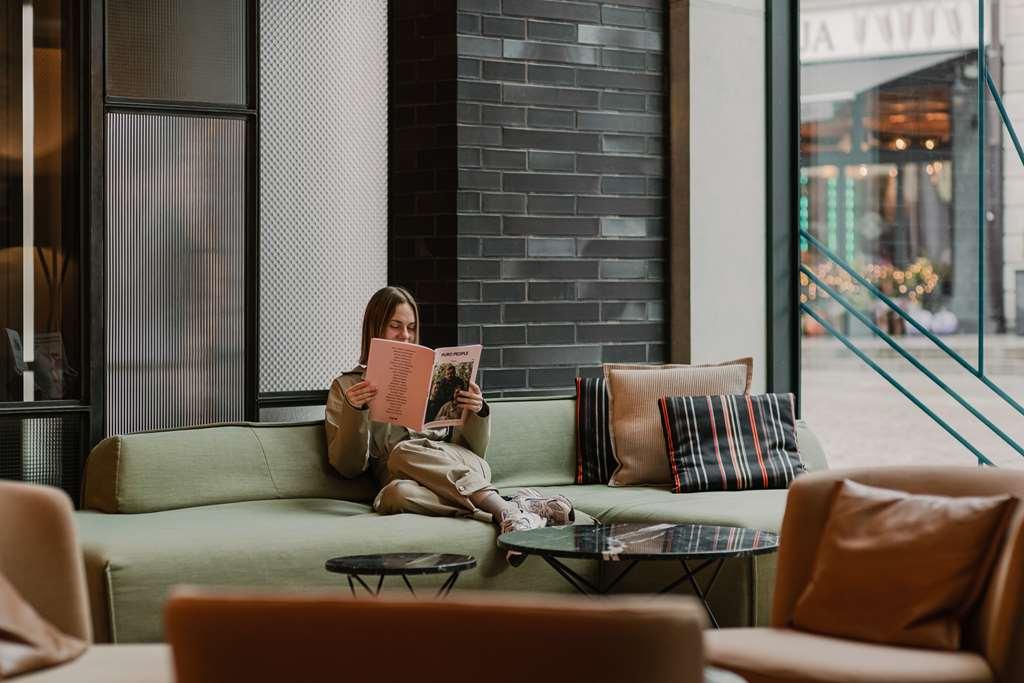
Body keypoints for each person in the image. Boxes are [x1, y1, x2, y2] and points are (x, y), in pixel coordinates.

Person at [325, 286, 574, 537]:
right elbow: (348, 467)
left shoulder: (431, 374)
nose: (405, 335)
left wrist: (476, 411)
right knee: (394, 496)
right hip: (405, 479)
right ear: (374, 327)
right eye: (395, 325)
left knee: (402, 450)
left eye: (411, 327)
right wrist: (355, 410)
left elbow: (473, 451)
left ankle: (504, 511)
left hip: (460, 462)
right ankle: (509, 508)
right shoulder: (346, 387)